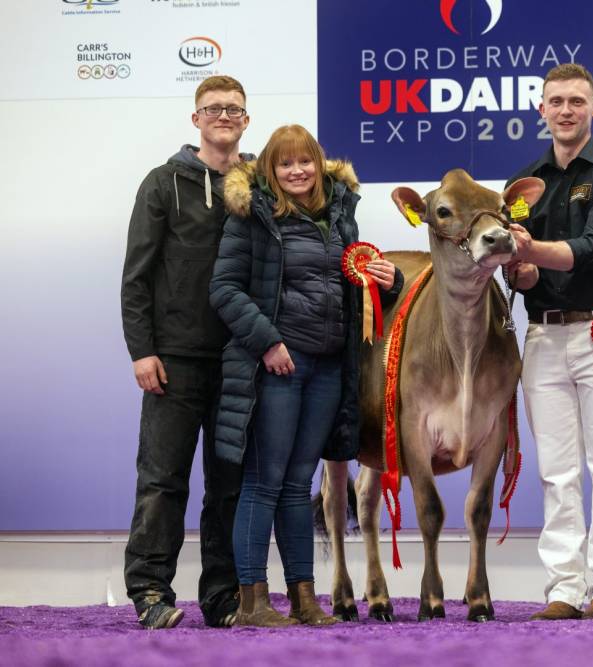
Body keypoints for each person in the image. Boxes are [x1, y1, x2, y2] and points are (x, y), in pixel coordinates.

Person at [209, 124, 402, 627]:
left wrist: (390, 280)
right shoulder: (251, 216)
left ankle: (304, 599)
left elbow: (351, 290)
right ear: (270, 171)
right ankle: (252, 603)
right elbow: (224, 289)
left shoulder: (340, 215)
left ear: (319, 164)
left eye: (305, 161)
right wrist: (268, 342)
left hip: (328, 368)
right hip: (276, 365)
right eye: (285, 163)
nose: (297, 171)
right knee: (263, 482)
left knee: (298, 484)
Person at [506, 63, 593, 622]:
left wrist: (527, 250)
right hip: (543, 335)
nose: (565, 110)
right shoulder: (524, 182)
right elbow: (526, 275)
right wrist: (518, 269)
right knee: (556, 470)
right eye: (556, 101)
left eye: (577, 101)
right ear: (541, 109)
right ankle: (563, 588)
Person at [120, 75, 251, 630]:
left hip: (240, 362)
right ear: (195, 119)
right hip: (172, 361)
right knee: (162, 481)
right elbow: (137, 275)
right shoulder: (162, 183)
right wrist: (142, 350)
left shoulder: (260, 185)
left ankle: (223, 598)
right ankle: (150, 591)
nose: (223, 116)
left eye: (233, 109)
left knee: (229, 489)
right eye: (213, 108)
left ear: (246, 120)